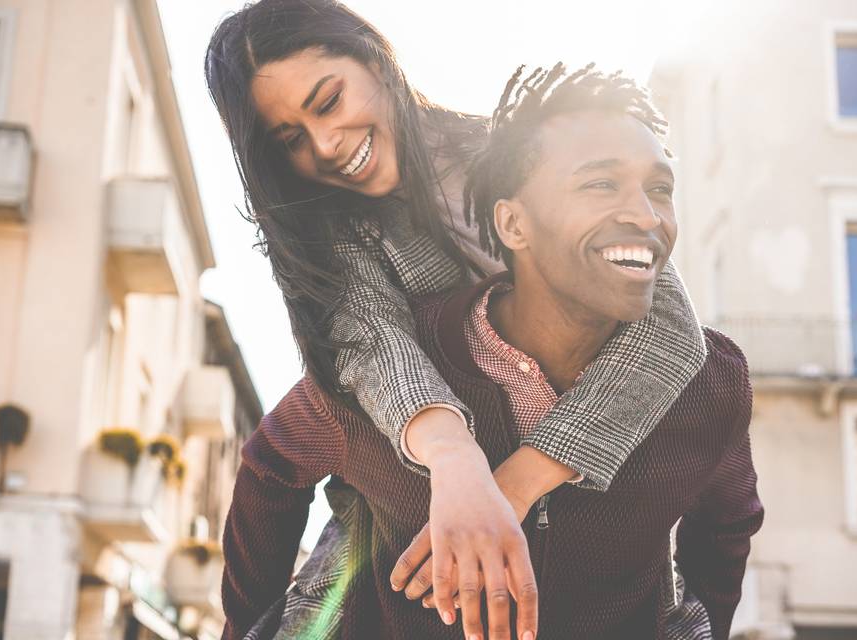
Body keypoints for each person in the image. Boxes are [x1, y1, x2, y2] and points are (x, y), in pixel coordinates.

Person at [205, 1, 707, 638]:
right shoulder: (338, 236)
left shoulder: (529, 153)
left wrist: (509, 491)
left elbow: (668, 332)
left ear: (373, 60)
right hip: (405, 527)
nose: (326, 145)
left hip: (597, 505)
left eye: (328, 101)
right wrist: (454, 466)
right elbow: (376, 350)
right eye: (291, 140)